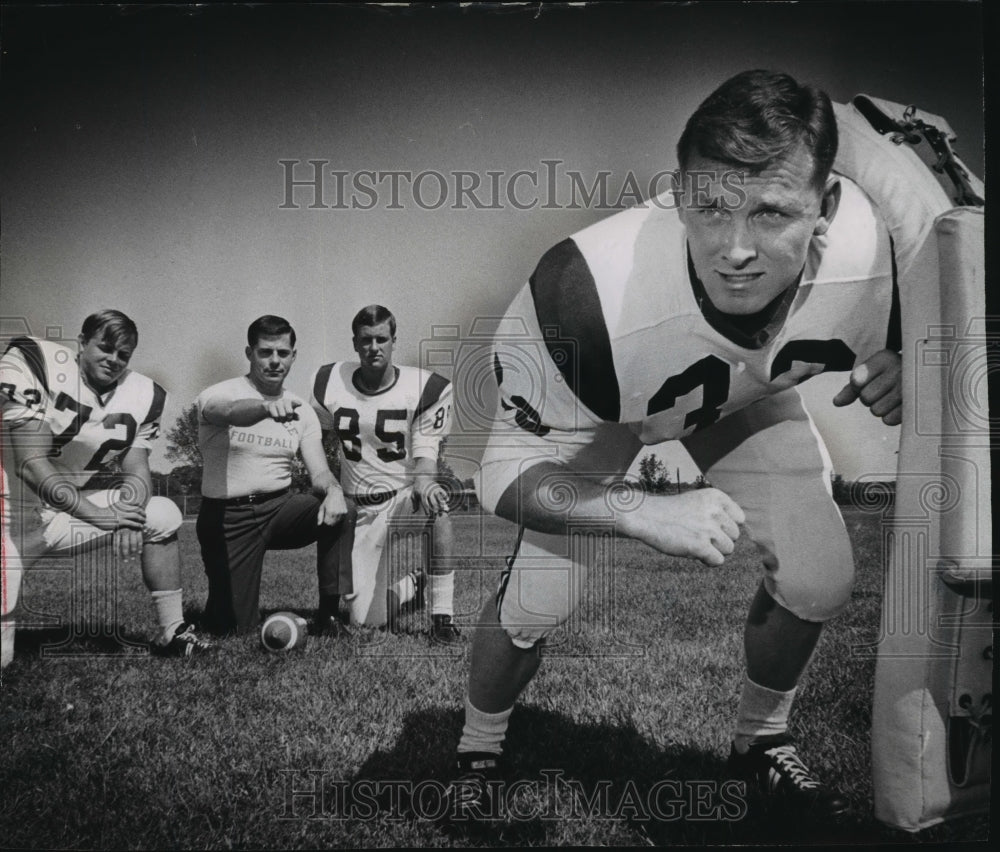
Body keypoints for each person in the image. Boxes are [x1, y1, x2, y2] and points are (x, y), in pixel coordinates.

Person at [445, 69, 907, 820]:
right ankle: (477, 743)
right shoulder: (582, 295)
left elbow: (965, 338)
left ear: (824, 207)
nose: (734, 249)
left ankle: (759, 740)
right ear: (678, 189)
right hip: (603, 412)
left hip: (743, 400)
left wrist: (916, 362)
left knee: (821, 577)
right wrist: (634, 509)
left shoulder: (882, 260)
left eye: (771, 213)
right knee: (538, 597)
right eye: (712, 208)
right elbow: (500, 474)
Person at [1, 309, 212, 668]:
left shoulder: (143, 394)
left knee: (160, 514)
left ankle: (172, 631)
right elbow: (31, 465)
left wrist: (129, 516)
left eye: (123, 354)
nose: (114, 360)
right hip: (9, 516)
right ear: (81, 343)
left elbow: (137, 469)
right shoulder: (33, 361)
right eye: (106, 347)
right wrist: (100, 516)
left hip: (55, 515)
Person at [195, 315, 352, 636]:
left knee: (345, 508)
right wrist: (264, 408)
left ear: (294, 355)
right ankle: (228, 608)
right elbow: (226, 413)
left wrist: (334, 490)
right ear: (249, 353)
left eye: (282, 353)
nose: (274, 361)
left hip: (279, 510)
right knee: (233, 629)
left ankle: (329, 615)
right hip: (228, 517)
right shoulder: (218, 394)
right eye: (266, 352)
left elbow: (319, 472)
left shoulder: (301, 410)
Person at [310, 305, 459, 642]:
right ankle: (412, 586)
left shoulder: (424, 388)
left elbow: (424, 458)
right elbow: (312, 439)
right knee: (366, 621)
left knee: (439, 510)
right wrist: (327, 482)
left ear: (393, 341)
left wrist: (427, 484)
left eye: (381, 339)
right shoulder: (328, 381)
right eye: (365, 340)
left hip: (402, 501)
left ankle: (442, 620)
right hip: (358, 509)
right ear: (354, 343)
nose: (373, 347)